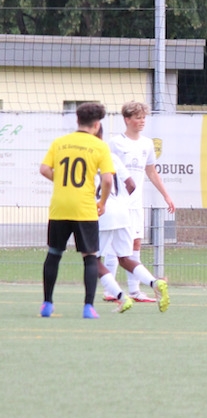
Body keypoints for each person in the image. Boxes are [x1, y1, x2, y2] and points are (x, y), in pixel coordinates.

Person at [39, 102, 115, 319]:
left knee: (54, 253)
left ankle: (47, 304)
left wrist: (61, 181)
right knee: (90, 257)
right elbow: (107, 180)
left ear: (77, 121)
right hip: (84, 209)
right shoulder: (100, 146)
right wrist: (102, 202)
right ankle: (88, 307)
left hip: (60, 207)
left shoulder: (60, 143)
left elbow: (44, 169)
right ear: (97, 125)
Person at [103, 101, 175, 304]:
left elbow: (151, 171)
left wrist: (166, 195)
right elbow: (106, 171)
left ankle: (134, 291)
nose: (142, 121)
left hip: (136, 205)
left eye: (144, 117)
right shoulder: (115, 143)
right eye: (138, 117)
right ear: (127, 119)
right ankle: (110, 290)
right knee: (113, 246)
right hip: (118, 204)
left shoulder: (147, 144)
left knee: (135, 244)